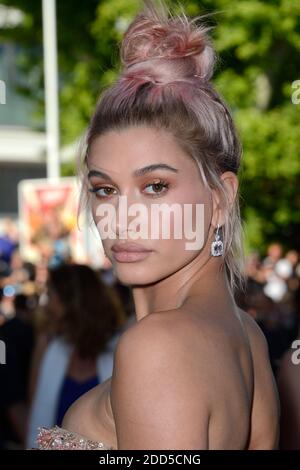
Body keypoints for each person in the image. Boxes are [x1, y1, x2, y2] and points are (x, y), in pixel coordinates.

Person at [36, 0, 280, 450]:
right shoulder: (245, 334)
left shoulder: (159, 346)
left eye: (154, 187)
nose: (121, 217)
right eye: (105, 190)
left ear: (221, 197)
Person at [27, 263, 127, 449]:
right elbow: (37, 418)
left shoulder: (122, 347)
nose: (46, 305)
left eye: (51, 295)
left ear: (70, 300)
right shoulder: (49, 346)